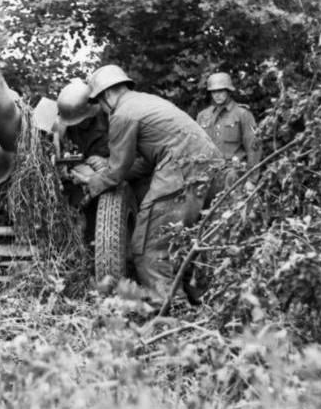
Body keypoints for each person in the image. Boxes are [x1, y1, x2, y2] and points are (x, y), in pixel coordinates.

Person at [80, 65, 224, 303]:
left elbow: (117, 170)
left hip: (182, 166)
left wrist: (92, 183)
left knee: (148, 246)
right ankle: (203, 302)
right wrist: (115, 173)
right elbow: (145, 165)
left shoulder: (123, 114)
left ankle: (172, 308)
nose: (101, 110)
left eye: (98, 103)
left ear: (105, 96)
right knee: (186, 239)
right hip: (208, 164)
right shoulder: (145, 102)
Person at [196, 72, 260, 186]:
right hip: (208, 174)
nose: (217, 95)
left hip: (234, 173)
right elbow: (195, 147)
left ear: (228, 91)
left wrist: (251, 179)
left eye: (221, 91)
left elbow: (254, 148)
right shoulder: (203, 116)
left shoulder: (242, 114)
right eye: (214, 91)